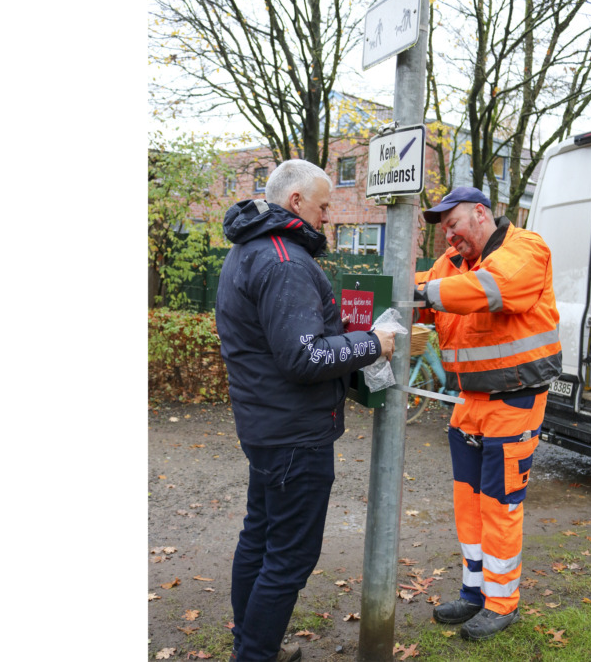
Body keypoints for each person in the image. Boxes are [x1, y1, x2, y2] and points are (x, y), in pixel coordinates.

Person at [215, 159, 396, 662]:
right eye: (322, 205)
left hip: (266, 426)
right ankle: (255, 656)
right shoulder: (285, 261)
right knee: (289, 556)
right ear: (295, 202)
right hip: (295, 436)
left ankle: (248, 648)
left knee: (260, 537)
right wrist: (371, 343)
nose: (327, 215)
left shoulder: (247, 250)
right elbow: (305, 356)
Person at [413, 186, 562, 641]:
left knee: (500, 506)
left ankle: (502, 602)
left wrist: (421, 290)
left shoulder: (525, 249)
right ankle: (475, 592)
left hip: (513, 401)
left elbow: (488, 290)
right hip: (467, 403)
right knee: (469, 504)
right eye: (442, 232)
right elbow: (421, 295)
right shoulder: (451, 265)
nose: (448, 239)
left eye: (453, 226)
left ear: (480, 214)